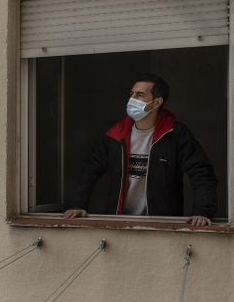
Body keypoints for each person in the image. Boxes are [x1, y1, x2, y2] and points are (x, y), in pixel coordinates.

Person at [62, 74, 218, 226]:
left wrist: (202, 211)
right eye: (132, 94)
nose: (132, 99)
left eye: (140, 95)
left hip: (161, 226)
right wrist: (77, 204)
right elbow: (89, 170)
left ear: (156, 103)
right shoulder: (115, 133)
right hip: (119, 223)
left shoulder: (175, 134)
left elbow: (201, 172)